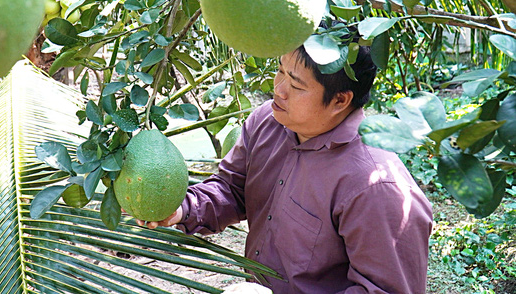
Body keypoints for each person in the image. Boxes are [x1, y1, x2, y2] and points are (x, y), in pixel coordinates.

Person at [136, 43, 433, 293]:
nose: (278, 89)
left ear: (340, 100)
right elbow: (232, 188)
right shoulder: (269, 122)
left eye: (296, 84)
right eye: (280, 70)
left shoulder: (374, 187)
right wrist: (182, 209)